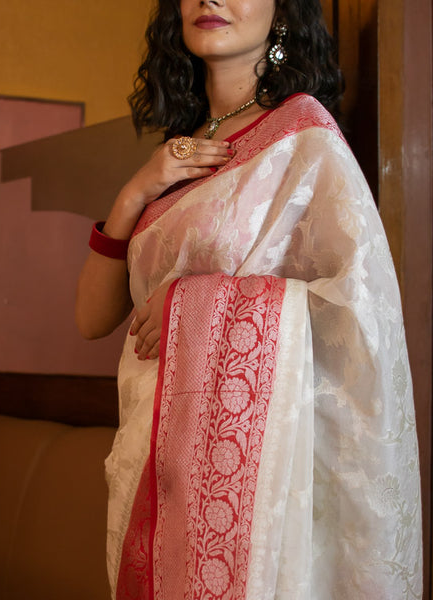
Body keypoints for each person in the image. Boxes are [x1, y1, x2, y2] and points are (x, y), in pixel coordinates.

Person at [76, 0, 423, 598]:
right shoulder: (177, 153)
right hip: (153, 461)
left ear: (282, 14)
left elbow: (362, 311)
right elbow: (91, 319)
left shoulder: (304, 138)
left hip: (255, 484)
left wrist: (197, 306)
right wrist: (139, 188)